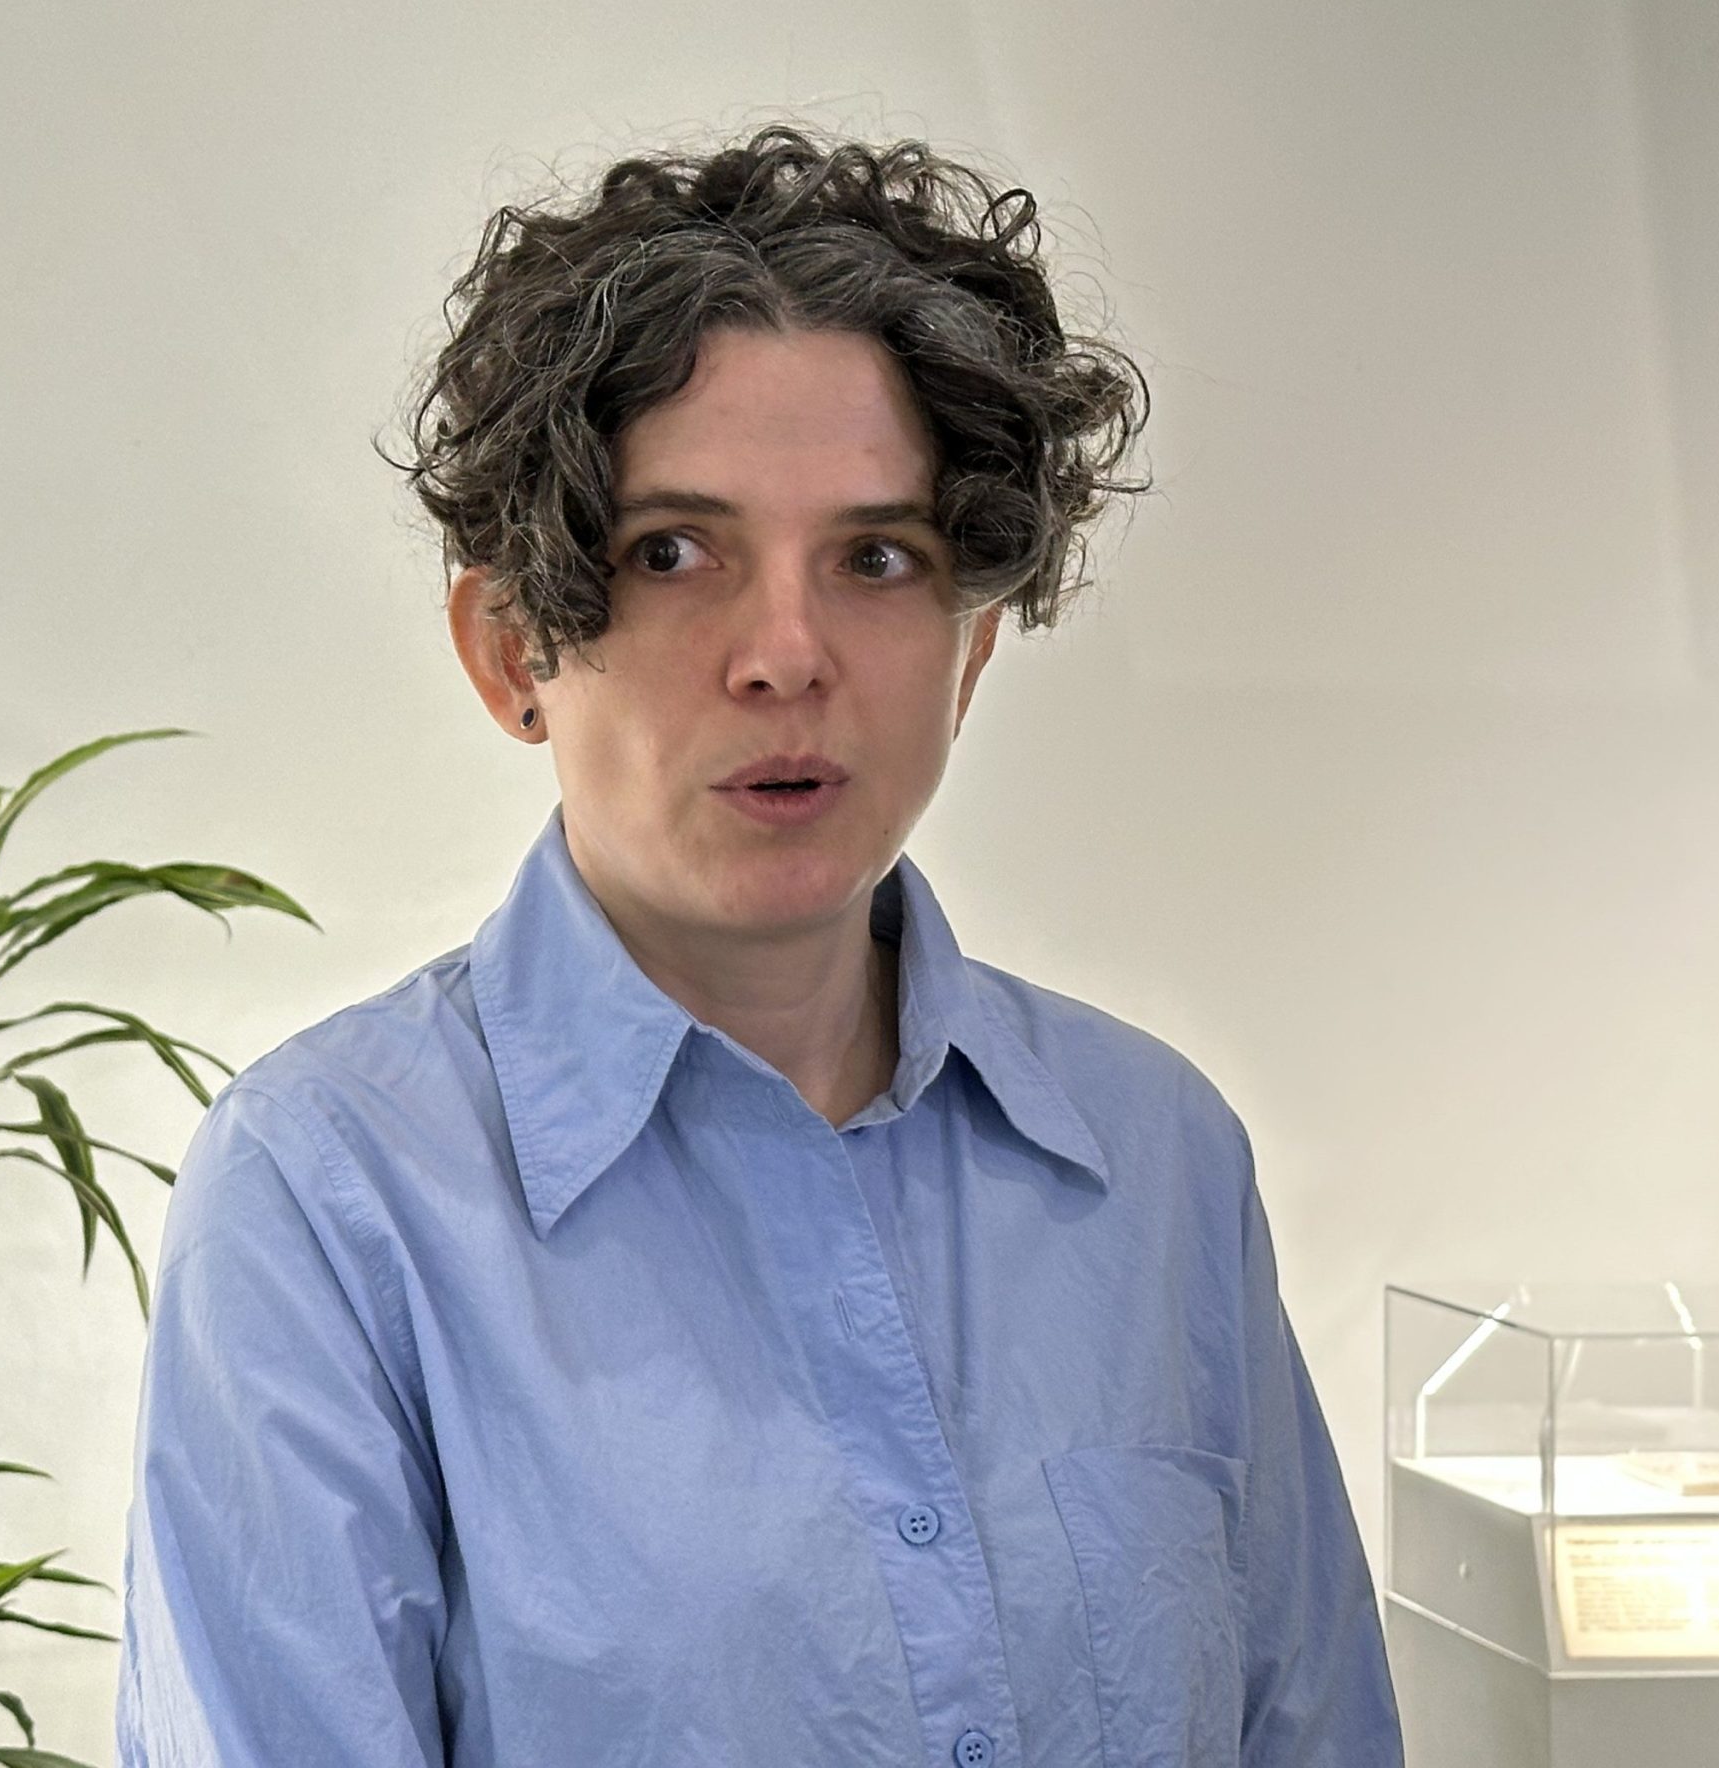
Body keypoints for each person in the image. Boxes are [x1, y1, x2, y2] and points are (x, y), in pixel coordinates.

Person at [114, 123, 1404, 1766]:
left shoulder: (1157, 1159)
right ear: (510, 649)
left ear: (970, 653)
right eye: (674, 553)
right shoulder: (328, 1195)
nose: (787, 654)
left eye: (876, 558)